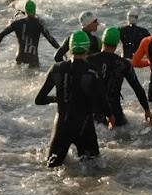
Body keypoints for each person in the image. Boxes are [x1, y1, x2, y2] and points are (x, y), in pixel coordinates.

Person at [35, 30, 106, 167]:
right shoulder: (93, 71)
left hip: (62, 126)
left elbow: (39, 100)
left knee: (51, 167)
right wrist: (110, 116)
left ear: (70, 48)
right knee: (95, 170)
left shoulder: (56, 68)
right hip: (85, 126)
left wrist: (57, 99)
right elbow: (102, 101)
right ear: (87, 48)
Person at [88, 27, 152, 128]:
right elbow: (137, 88)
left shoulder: (89, 60)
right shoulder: (123, 64)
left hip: (94, 112)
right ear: (117, 43)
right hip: (115, 111)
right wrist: (147, 111)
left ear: (103, 41)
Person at [0, 0, 61, 68]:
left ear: (26, 10)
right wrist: (60, 50)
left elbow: (2, 33)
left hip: (20, 58)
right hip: (33, 60)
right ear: (34, 11)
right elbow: (50, 39)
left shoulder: (17, 23)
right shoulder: (39, 24)